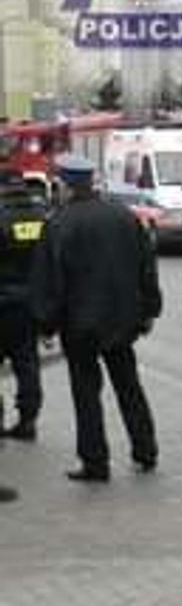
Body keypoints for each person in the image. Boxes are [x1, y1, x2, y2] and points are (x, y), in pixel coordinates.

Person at [31, 155, 163, 482]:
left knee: (86, 392)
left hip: (80, 325)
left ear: (65, 184)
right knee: (129, 385)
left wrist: (45, 323)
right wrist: (149, 310)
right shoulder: (124, 216)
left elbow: (50, 280)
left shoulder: (59, 223)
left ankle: (95, 461)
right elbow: (147, 267)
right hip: (122, 321)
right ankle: (146, 450)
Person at [0, 169, 49, 441]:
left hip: (3, 303)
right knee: (27, 364)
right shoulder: (42, 217)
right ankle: (28, 420)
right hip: (31, 304)